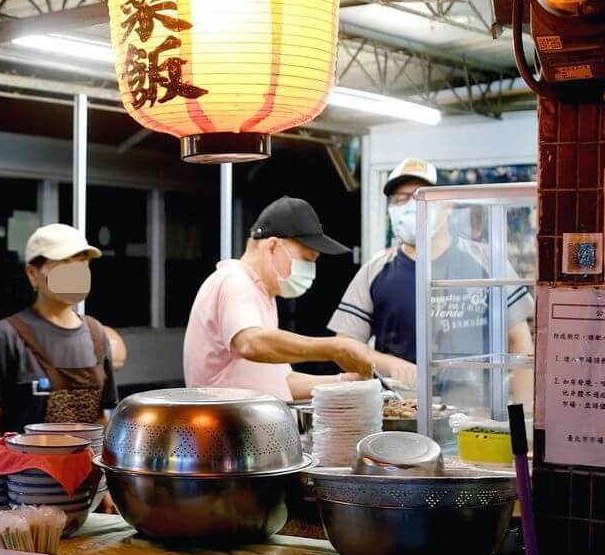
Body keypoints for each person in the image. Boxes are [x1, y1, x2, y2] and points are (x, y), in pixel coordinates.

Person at [329, 158, 534, 407]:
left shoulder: (487, 261)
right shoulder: (375, 271)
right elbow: (345, 346)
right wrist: (390, 364)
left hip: (476, 414)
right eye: (398, 200)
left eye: (417, 197)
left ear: (446, 205)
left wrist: (525, 416)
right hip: (401, 414)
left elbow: (520, 341)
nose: (407, 207)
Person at [183, 196, 377, 401]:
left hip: (255, 426)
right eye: (307, 259)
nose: (311, 270)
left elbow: (280, 382)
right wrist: (334, 348)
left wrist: (344, 382)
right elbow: (251, 343)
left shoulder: (263, 295)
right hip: (228, 429)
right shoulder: (235, 281)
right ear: (272, 246)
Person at [0, 224, 118, 437]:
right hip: (25, 468)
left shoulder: (96, 334)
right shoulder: (8, 335)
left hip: (85, 467)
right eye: (63, 264)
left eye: (82, 264)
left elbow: (101, 417)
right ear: (32, 273)